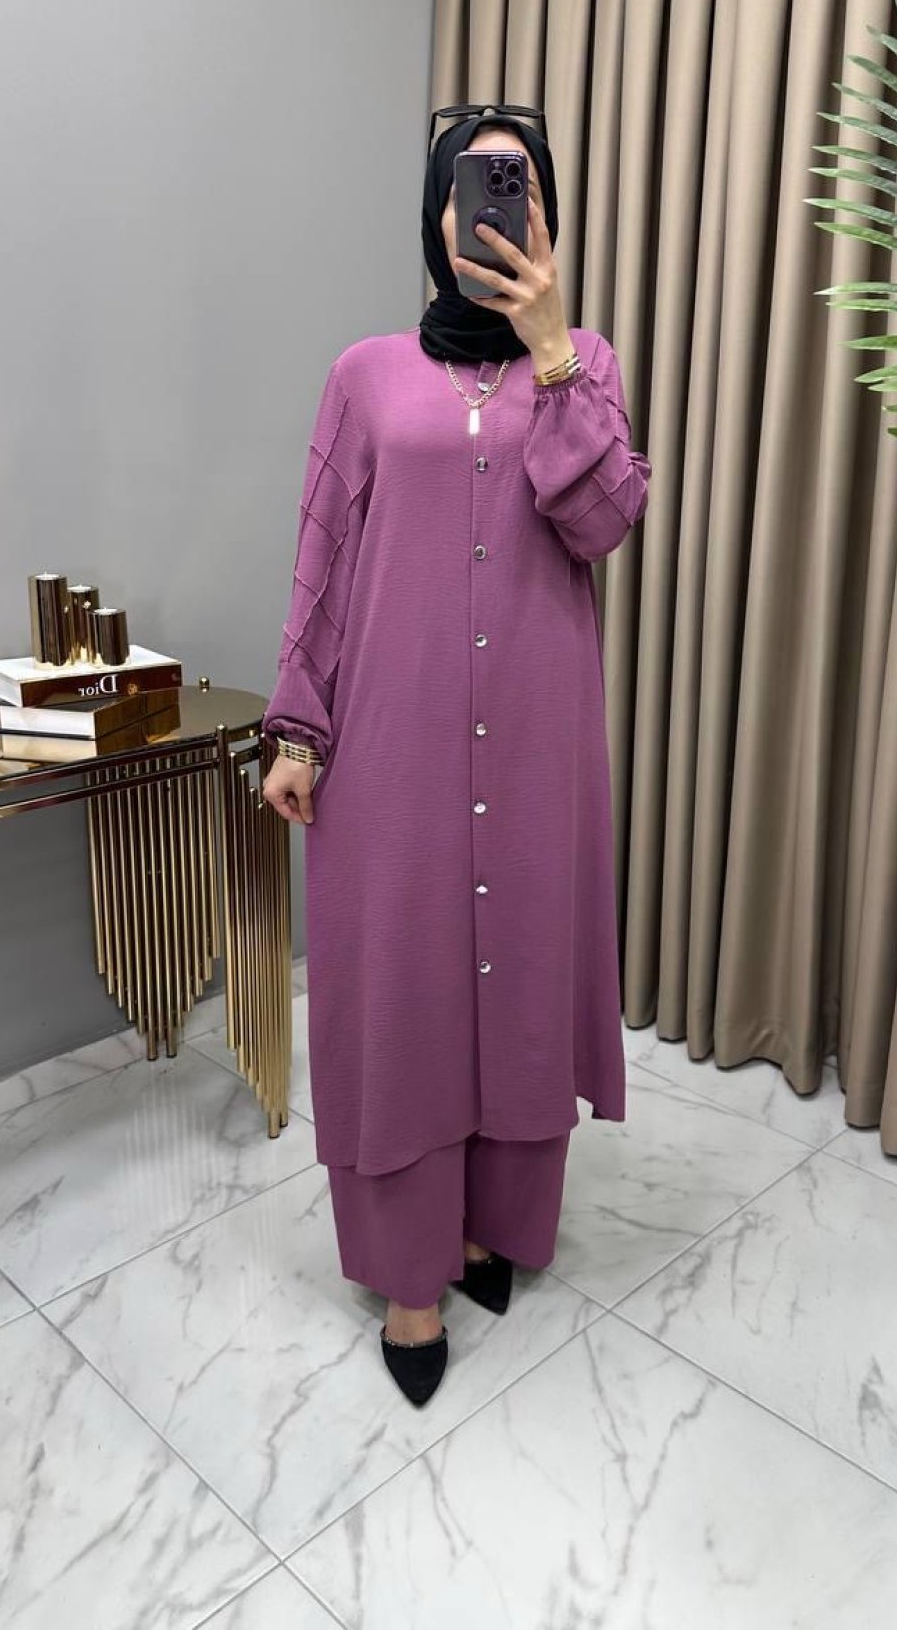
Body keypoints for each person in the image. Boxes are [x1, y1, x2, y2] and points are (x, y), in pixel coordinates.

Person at [261, 103, 652, 1406]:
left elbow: (605, 522)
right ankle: (410, 1274)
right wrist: (299, 724)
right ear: (437, 217)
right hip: (396, 741)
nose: (494, 207)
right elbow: (324, 553)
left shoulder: (584, 362)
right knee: (405, 991)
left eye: (517, 185)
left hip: (539, 742)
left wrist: (554, 354)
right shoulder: (366, 373)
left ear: (546, 215)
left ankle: (489, 1228)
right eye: (472, 186)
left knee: (520, 973)